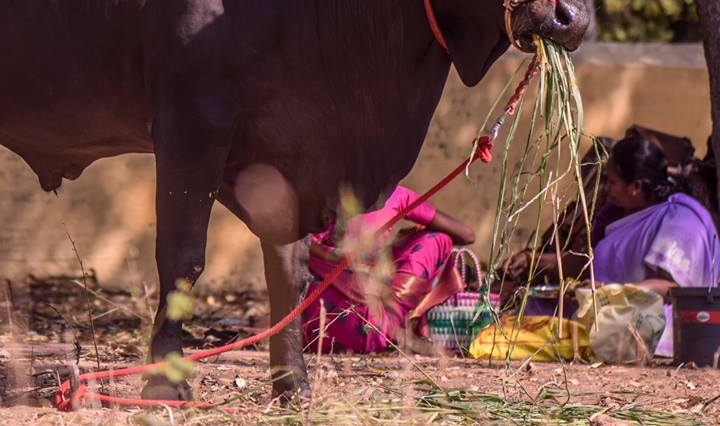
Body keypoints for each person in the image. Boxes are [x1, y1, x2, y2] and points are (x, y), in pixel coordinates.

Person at [505, 136, 720, 357]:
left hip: (649, 329)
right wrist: (532, 259)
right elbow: (587, 260)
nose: (606, 188)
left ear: (636, 186)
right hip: (605, 313)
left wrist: (615, 292)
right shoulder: (617, 212)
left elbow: (673, 290)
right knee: (529, 316)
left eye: (612, 181)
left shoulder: (679, 221)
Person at [301, 183, 475, 354]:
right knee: (438, 239)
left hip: (309, 331)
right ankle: (403, 330)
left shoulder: (311, 191)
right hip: (373, 330)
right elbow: (467, 235)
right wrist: (415, 232)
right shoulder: (393, 194)